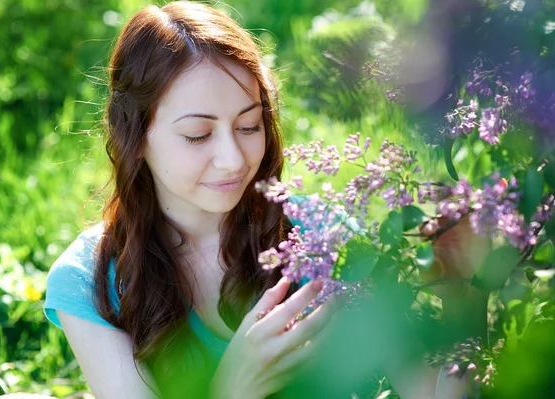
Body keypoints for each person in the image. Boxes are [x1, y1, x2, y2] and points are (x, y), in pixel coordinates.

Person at [43, 2, 477, 398]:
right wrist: (236, 385)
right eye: (198, 134)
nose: (233, 160)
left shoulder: (320, 237)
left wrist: (467, 297)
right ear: (134, 136)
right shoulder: (91, 280)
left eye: (249, 126)